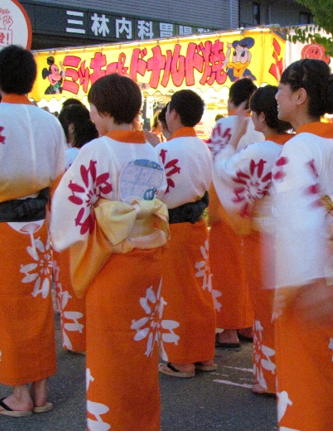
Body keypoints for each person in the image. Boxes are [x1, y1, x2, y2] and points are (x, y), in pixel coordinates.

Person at [50, 73, 169, 430]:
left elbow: (69, 204)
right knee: (141, 351)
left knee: (110, 352)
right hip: (147, 261)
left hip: (111, 261)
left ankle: (112, 423)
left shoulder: (98, 150)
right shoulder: (151, 150)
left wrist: (90, 223)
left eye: (92, 109)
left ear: (102, 111)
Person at [271, 59, 333, 430]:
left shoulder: (298, 149)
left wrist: (291, 287)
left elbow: (297, 221)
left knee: (306, 376)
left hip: (308, 277)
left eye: (281, 88)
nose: (276, 96)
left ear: (299, 95)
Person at [212, 85, 292, 395]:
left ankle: (271, 378)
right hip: (296, 235)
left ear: (259, 116)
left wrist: (230, 140)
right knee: (288, 310)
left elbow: (225, 171)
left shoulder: (261, 151)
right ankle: (292, 371)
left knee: (266, 308)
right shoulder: (298, 145)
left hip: (265, 238)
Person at [0, 45, 66, 417]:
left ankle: (20, 393)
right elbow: (59, 181)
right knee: (38, 307)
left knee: (9, 310)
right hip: (39, 226)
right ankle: (40, 390)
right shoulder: (50, 121)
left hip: (3, 228)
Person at [155, 90, 216, 378]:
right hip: (197, 226)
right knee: (199, 291)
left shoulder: (164, 151)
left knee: (176, 293)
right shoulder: (204, 147)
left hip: (172, 227)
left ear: (174, 113)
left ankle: (181, 359)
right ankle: (203, 354)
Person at [206, 78, 263, 347]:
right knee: (247, 267)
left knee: (226, 270)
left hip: (229, 206)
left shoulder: (225, 125)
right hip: (255, 207)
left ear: (231, 100)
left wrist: (213, 209)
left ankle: (228, 328)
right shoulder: (262, 126)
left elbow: (215, 168)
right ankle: (247, 324)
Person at [53, 103, 99, 354]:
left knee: (71, 284)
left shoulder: (68, 157)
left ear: (70, 127)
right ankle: (95, 333)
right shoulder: (93, 151)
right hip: (97, 230)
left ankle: (77, 339)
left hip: (71, 230)